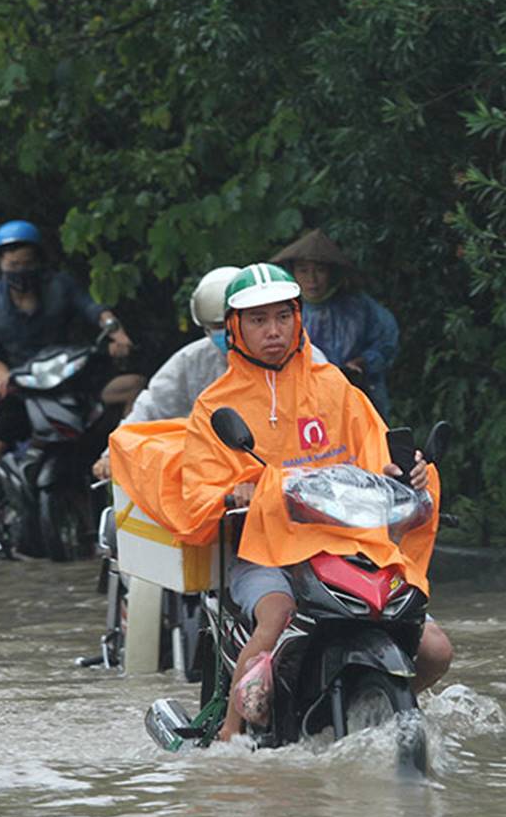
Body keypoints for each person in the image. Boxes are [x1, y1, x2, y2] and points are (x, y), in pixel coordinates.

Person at [109, 263, 451, 742]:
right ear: (235, 328)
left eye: (281, 317)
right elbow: (201, 486)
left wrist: (406, 472)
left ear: (297, 318)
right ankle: (229, 738)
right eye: (258, 320)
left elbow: (375, 456)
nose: (272, 331)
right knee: (276, 616)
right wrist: (235, 489)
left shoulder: (334, 385)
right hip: (265, 552)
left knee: (435, 649)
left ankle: (368, 704)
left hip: (346, 545)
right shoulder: (215, 403)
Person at [0, 220, 139, 565]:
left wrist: (115, 331)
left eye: (26, 263)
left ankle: (129, 472)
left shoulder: (60, 287)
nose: (19, 270)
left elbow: (94, 310)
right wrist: (1, 375)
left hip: (69, 381)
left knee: (134, 386)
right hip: (22, 389)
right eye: (12, 264)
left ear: (38, 261)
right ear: (1, 264)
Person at [91, 265, 240, 480]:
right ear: (205, 327)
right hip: (208, 479)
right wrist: (111, 455)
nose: (226, 333)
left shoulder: (298, 358)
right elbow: (149, 410)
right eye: (216, 325)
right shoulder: (190, 361)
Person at [270, 229, 399, 415]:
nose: (311, 279)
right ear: (293, 272)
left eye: (319, 270)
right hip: (302, 401)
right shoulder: (284, 311)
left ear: (332, 272)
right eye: (303, 270)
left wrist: (364, 362)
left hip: (357, 397)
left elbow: (387, 341)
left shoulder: (358, 307)